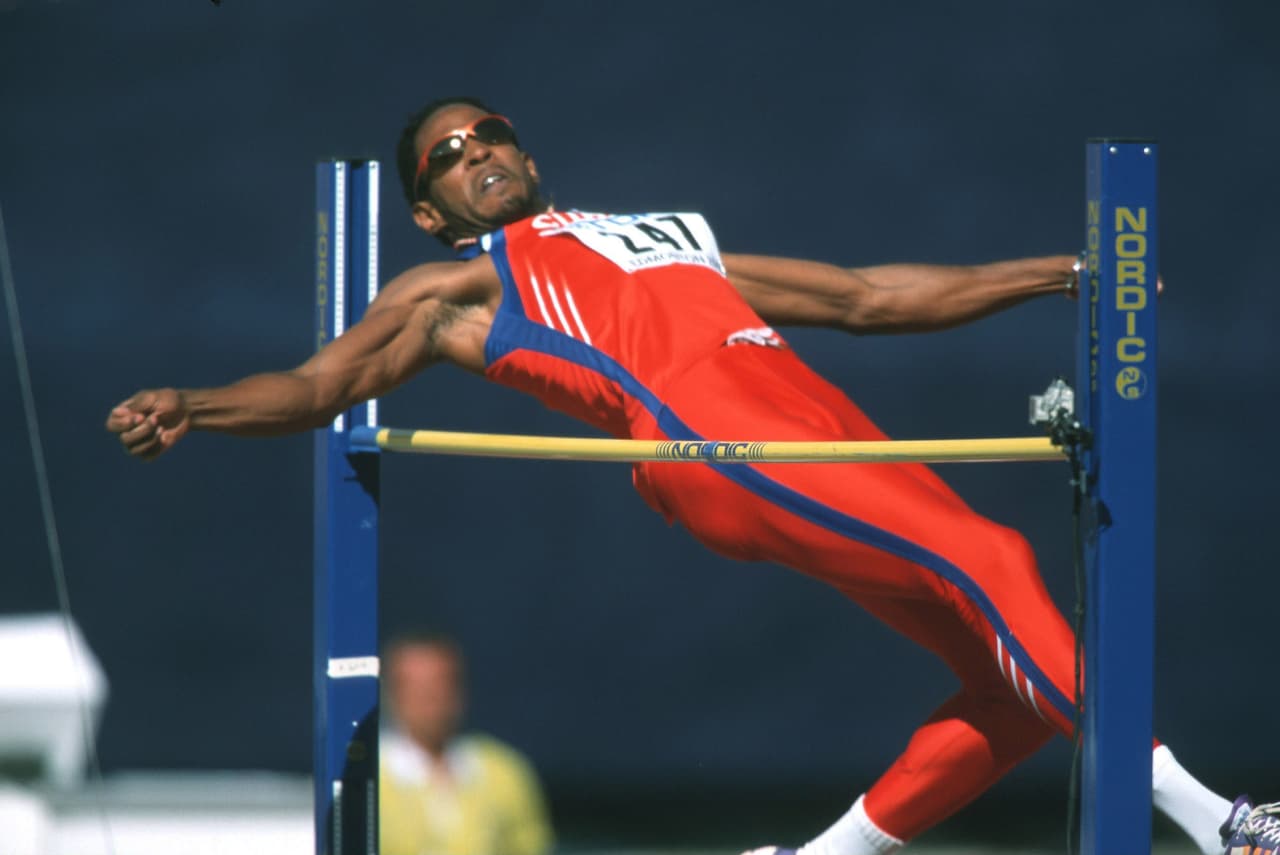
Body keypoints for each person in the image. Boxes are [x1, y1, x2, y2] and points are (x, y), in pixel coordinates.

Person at [105, 96, 1279, 855]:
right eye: (449, 157)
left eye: (491, 134)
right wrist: (195, 406)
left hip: (815, 416)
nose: (481, 155)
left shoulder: (667, 232)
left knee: (1010, 683)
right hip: (709, 436)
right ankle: (1219, 821)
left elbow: (863, 299)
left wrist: (1058, 273)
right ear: (427, 207)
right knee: (995, 557)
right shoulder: (454, 288)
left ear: (527, 148)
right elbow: (320, 389)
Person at [379, 631, 554, 855]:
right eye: (417, 688)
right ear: (392, 693)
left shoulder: (503, 771)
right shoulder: (364, 775)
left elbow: (531, 845)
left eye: (441, 686)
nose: (432, 700)